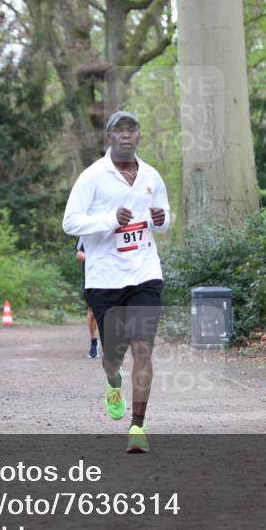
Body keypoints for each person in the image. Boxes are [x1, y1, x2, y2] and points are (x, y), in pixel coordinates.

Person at [62, 111, 171, 453]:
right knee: (114, 356)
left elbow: (165, 222)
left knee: (143, 348)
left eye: (132, 130)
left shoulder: (152, 176)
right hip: (105, 277)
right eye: (119, 130)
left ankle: (137, 427)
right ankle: (113, 381)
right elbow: (70, 223)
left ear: (139, 135)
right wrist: (110, 220)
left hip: (144, 274)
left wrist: (161, 219)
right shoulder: (92, 177)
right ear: (109, 136)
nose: (126, 135)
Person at [76, 237, 99, 358]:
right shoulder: (87, 230)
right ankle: (94, 342)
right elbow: (79, 253)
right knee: (92, 313)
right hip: (92, 279)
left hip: (113, 278)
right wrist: (91, 259)